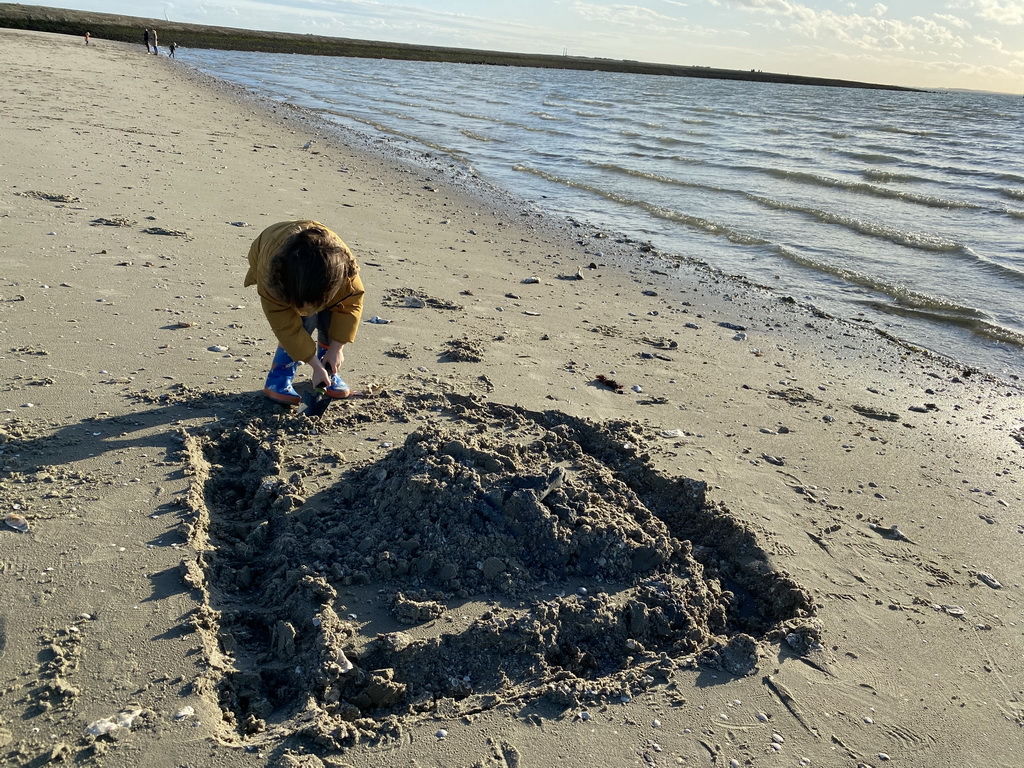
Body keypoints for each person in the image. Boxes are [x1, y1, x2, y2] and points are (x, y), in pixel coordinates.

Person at [244, 221, 364, 404]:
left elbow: (350, 308)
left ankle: (329, 371)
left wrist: (336, 348)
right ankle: (279, 376)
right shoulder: (271, 277)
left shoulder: (347, 275)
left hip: (323, 269)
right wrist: (313, 364)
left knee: (333, 313)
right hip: (270, 249)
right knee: (302, 320)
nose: (309, 308)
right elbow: (285, 327)